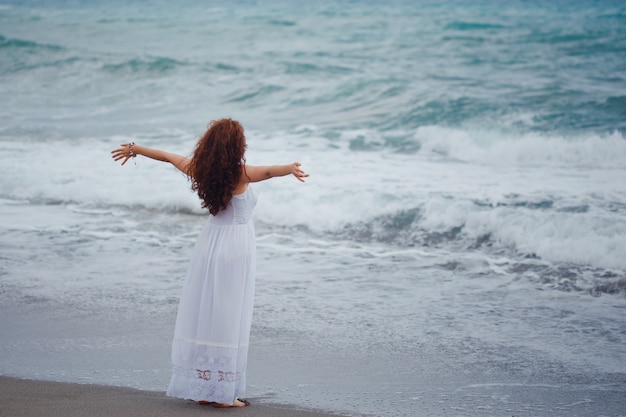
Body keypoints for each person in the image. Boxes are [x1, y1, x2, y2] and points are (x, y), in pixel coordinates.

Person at [111, 118, 308, 408]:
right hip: (236, 249)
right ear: (236, 147)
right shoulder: (240, 174)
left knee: (209, 312)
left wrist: (135, 148)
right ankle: (223, 395)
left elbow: (167, 157)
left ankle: (206, 387)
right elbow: (266, 171)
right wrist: (289, 169)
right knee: (229, 316)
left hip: (209, 245)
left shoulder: (199, 169)